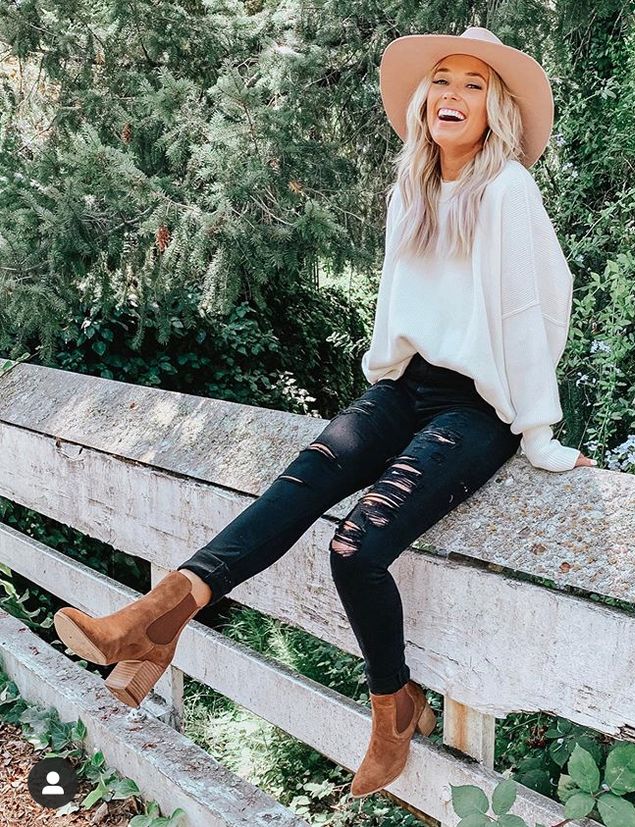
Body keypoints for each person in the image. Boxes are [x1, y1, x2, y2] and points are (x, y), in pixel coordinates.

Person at [54, 26, 596, 801]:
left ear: (496, 110)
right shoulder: (409, 189)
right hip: (406, 389)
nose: (452, 94)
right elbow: (398, 305)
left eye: (474, 85)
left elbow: (534, 310)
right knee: (304, 477)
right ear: (423, 100)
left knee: (355, 546)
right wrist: (383, 388)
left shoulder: (508, 189)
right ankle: (157, 616)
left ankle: (392, 704)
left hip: (478, 408)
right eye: (442, 79)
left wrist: (538, 434)